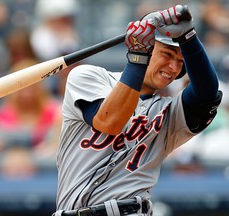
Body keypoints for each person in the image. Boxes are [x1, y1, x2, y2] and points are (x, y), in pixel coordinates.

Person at [53, 5, 222, 216]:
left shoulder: (170, 112)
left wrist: (189, 38)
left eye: (180, 62)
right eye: (167, 54)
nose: (173, 67)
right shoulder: (89, 77)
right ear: (146, 48)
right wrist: (138, 59)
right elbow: (109, 121)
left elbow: (207, 92)